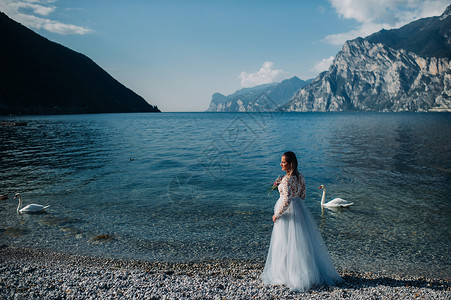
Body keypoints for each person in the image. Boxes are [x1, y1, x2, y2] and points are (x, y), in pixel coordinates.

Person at [261, 151, 342, 291]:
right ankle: (307, 273)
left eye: (283, 162)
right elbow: (303, 195)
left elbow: (285, 201)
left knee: (285, 243)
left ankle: (287, 275)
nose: (280, 164)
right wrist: (289, 191)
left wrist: (277, 215)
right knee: (301, 244)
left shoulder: (286, 180)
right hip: (299, 210)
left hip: (287, 213)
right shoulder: (301, 176)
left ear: (290, 163)